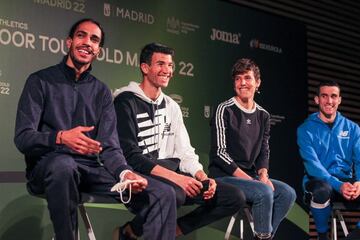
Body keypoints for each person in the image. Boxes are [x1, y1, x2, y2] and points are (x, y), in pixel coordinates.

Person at [14, 19, 177, 240]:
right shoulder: (40, 81)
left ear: (98, 50)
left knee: (163, 193)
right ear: (69, 43)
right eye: (81, 36)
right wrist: (60, 138)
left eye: (94, 39)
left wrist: (125, 173)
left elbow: (110, 148)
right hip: (48, 167)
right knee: (64, 165)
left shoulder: (101, 92)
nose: (87, 43)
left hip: (89, 171)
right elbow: (23, 138)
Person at [113, 42, 245, 237]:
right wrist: (178, 179)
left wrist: (202, 177)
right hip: (139, 175)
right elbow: (131, 156)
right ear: (145, 67)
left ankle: (164, 230)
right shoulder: (124, 100)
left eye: (170, 65)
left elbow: (185, 152)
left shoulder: (172, 106)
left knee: (234, 196)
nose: (167, 70)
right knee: (175, 193)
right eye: (160, 64)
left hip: (172, 176)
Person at [208, 58, 296, 240]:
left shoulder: (263, 115)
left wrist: (263, 175)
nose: (242, 83)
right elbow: (219, 153)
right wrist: (253, 181)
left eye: (247, 78)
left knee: (287, 193)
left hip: (251, 177)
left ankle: (263, 237)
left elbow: (264, 149)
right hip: (224, 176)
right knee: (263, 192)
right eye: (238, 79)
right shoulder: (224, 109)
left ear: (257, 83)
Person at [297, 80, 360, 240]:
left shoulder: (352, 128)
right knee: (322, 190)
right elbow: (313, 167)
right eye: (324, 96)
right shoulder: (305, 129)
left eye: (333, 96)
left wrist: (359, 182)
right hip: (317, 182)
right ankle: (322, 236)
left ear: (339, 100)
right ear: (317, 99)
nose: (329, 101)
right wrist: (339, 186)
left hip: (346, 182)